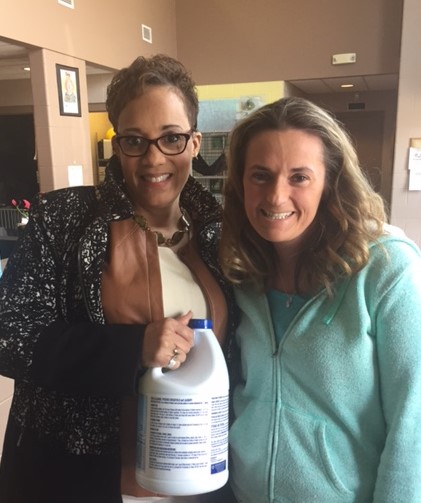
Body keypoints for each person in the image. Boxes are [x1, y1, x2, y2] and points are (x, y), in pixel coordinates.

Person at [0, 54, 237, 503]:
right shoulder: (64, 219)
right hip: (81, 479)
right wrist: (132, 348)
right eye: (134, 141)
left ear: (194, 143)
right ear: (117, 146)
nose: (153, 158)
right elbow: (10, 334)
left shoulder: (220, 234)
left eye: (171, 138)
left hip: (199, 478)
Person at [219, 96, 421, 502]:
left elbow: (413, 420)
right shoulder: (241, 270)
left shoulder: (385, 268)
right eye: (260, 175)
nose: (276, 196)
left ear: (330, 182)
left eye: (299, 177)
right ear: (240, 183)